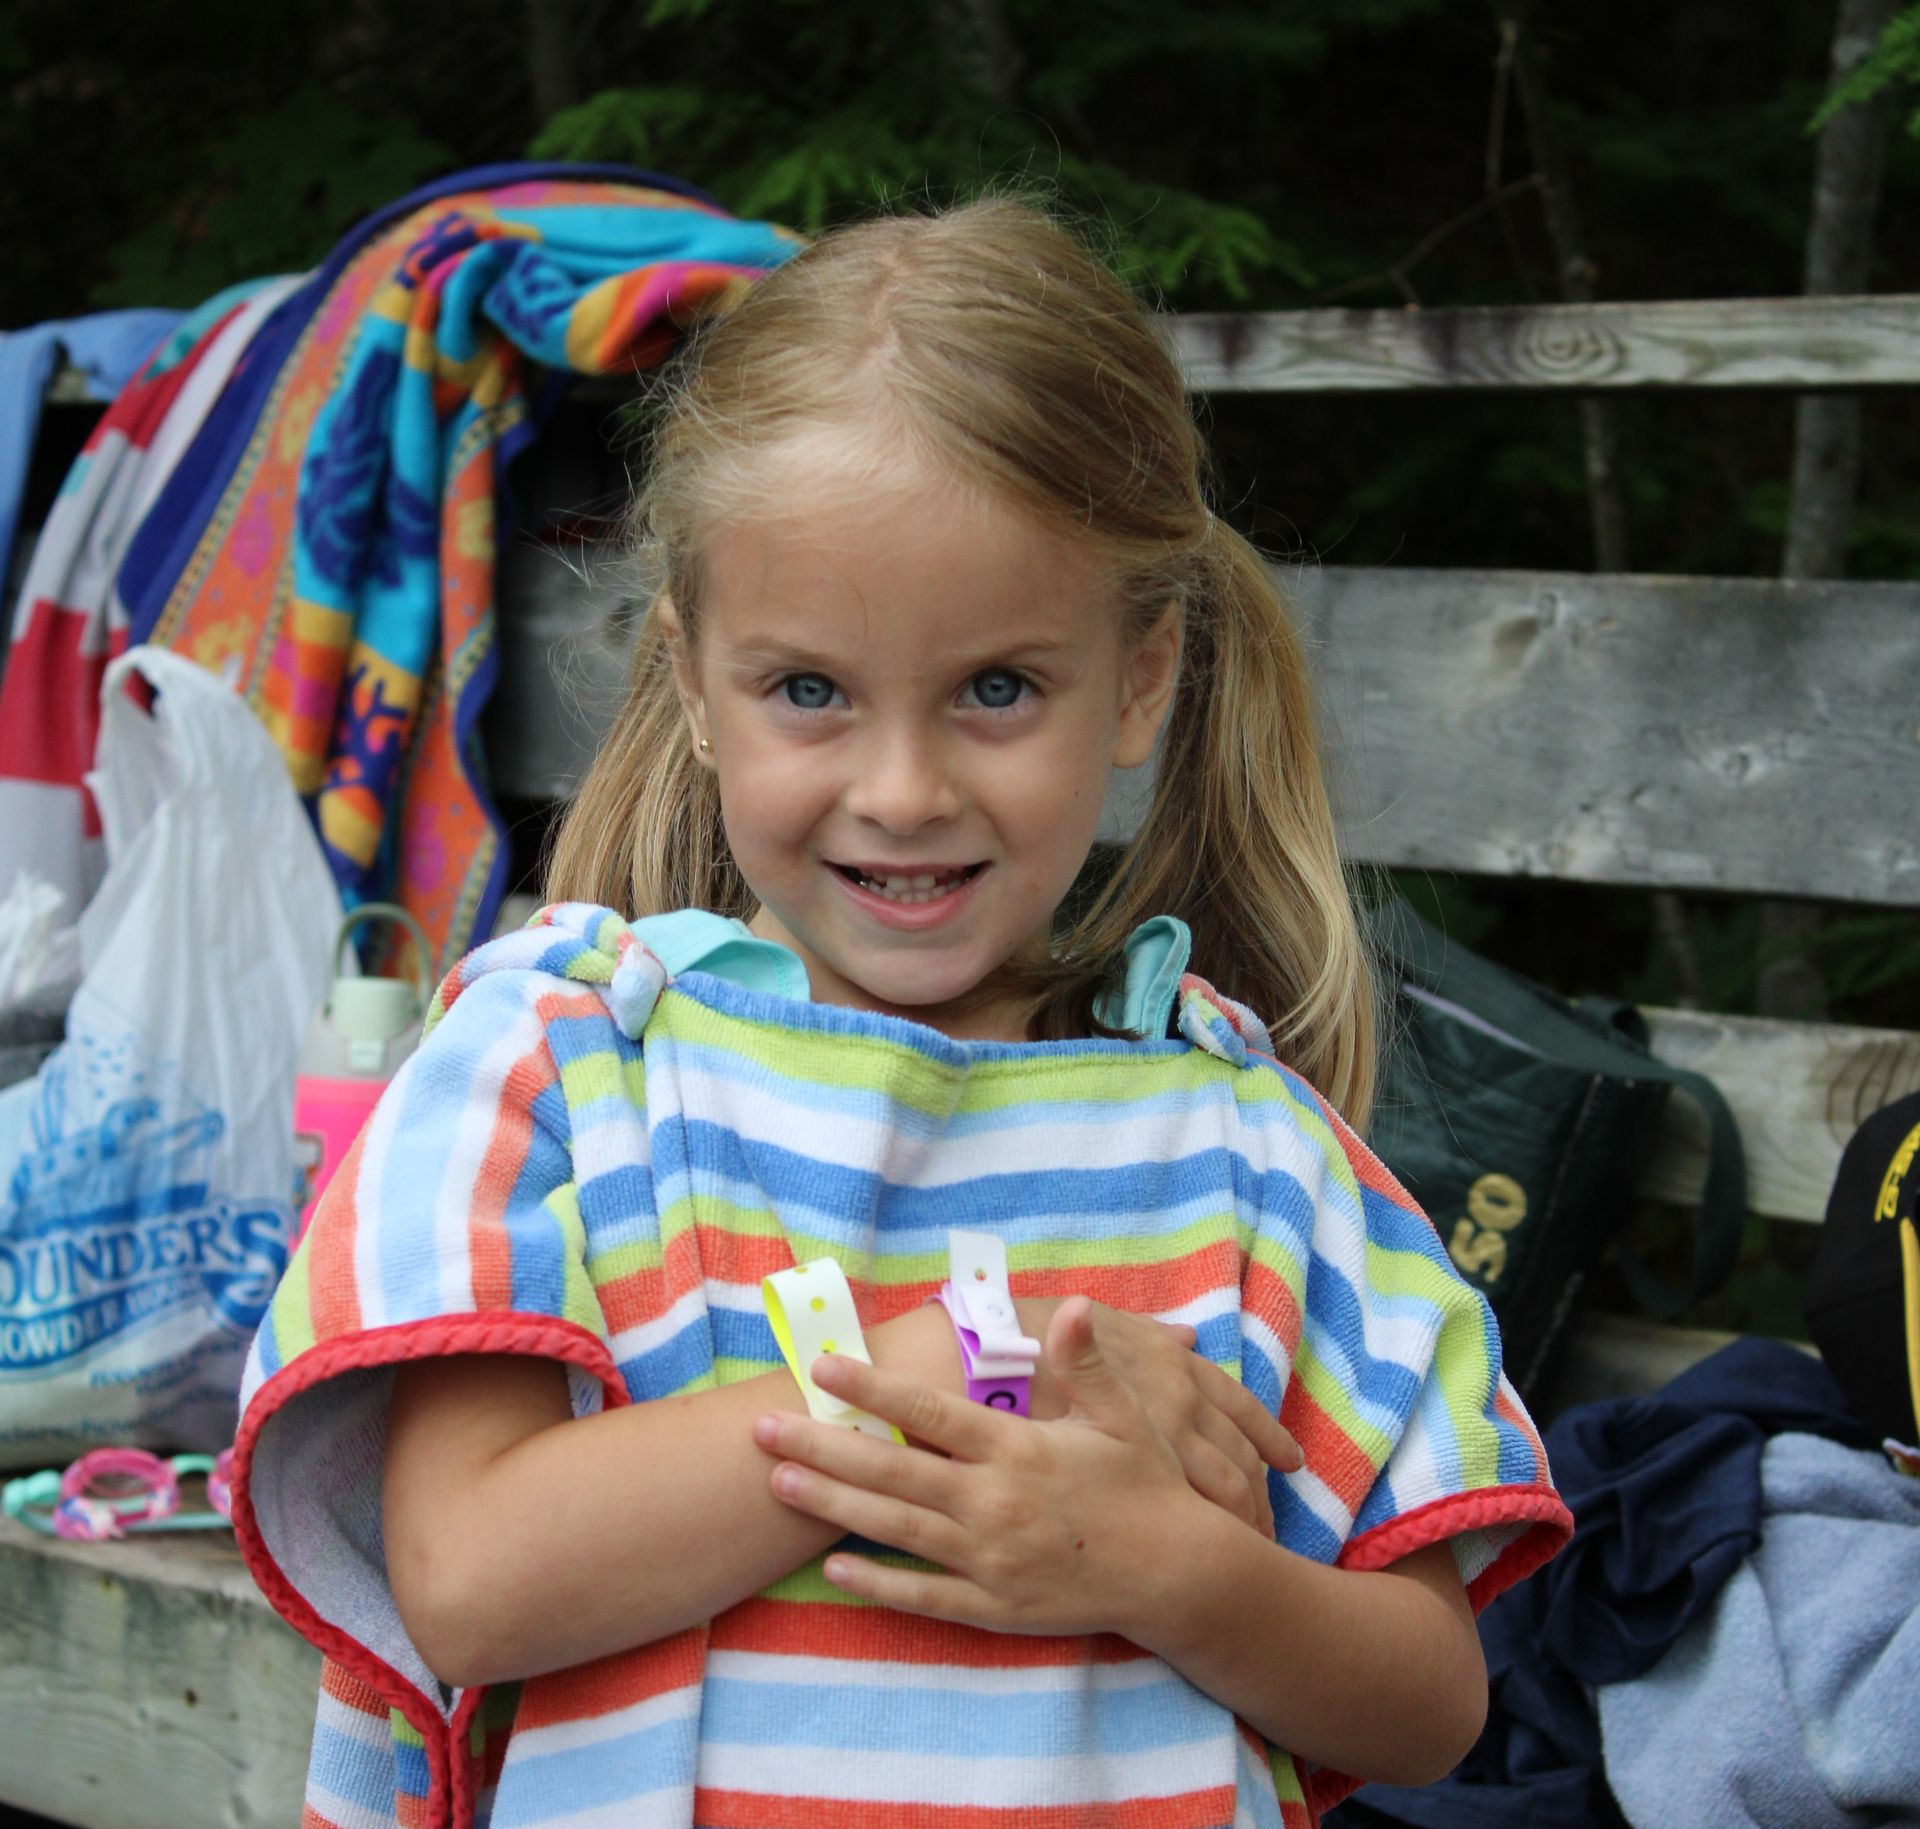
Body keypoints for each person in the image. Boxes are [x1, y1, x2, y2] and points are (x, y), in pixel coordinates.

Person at [233, 191, 1572, 1829]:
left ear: (1141, 678)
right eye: (810, 690)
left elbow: (1432, 1702)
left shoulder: (1242, 1148)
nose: (904, 788)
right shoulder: (559, 1071)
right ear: (696, 681)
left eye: (998, 689)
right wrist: (975, 1366)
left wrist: (1160, 1562)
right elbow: (473, 1577)